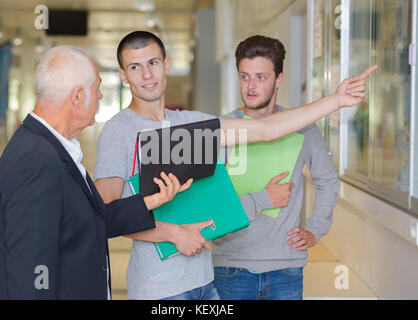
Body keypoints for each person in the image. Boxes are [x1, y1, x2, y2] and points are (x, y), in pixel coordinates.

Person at [93, 31, 375, 300]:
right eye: (135, 67)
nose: (147, 75)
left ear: (166, 64)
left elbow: (265, 129)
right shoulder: (119, 131)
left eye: (153, 63)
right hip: (160, 287)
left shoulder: (192, 125)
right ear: (123, 75)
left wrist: (336, 100)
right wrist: (174, 233)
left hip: (204, 281)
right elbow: (107, 212)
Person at [0, 45, 191, 300]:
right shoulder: (36, 161)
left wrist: (152, 200)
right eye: (96, 88)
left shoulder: (53, 148)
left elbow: (88, 219)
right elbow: (31, 274)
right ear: (77, 97)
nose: (100, 96)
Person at [212, 35, 342, 300]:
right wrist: (263, 198)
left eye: (261, 77)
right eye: (244, 76)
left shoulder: (302, 125)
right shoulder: (222, 129)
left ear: (278, 79)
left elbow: (327, 180)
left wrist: (315, 229)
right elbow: (211, 201)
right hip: (231, 266)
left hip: (286, 268)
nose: (250, 86)